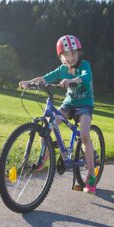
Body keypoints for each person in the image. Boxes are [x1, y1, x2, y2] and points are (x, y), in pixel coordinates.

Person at [18, 35, 98, 193]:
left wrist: (72, 81)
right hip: (68, 104)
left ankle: (90, 175)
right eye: (67, 55)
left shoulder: (84, 65)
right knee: (48, 125)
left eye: (74, 53)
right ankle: (44, 158)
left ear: (78, 54)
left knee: (84, 135)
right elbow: (45, 78)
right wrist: (30, 82)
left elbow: (85, 77)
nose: (71, 57)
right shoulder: (62, 69)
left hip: (85, 105)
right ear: (61, 57)